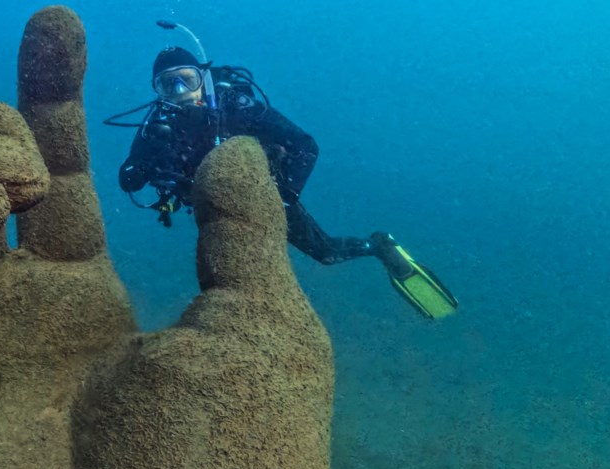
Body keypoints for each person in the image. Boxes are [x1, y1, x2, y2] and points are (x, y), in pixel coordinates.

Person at [105, 30, 458, 319]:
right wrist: (148, 159)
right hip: (215, 217)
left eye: (186, 80)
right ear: (158, 91)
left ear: (203, 79)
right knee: (224, 279)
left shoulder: (236, 108)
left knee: (326, 253)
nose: (180, 92)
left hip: (268, 194)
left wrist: (283, 194)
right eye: (168, 85)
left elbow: (305, 145)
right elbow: (128, 179)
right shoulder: (158, 125)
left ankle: (379, 246)